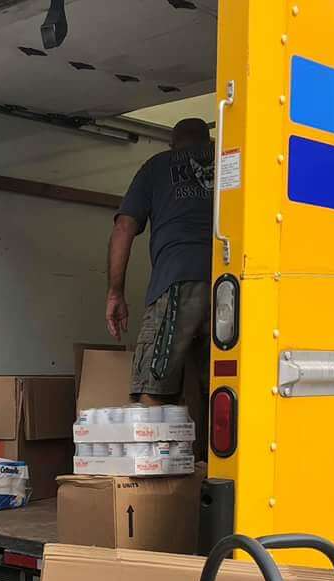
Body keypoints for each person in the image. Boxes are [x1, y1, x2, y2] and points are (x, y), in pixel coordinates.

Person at [106, 117, 214, 411]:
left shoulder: (157, 166)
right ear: (209, 141)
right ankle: (211, 458)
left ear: (172, 143)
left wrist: (116, 292)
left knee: (154, 384)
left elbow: (123, 228)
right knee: (221, 387)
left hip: (176, 279)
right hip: (229, 283)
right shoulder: (232, 160)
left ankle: (151, 456)